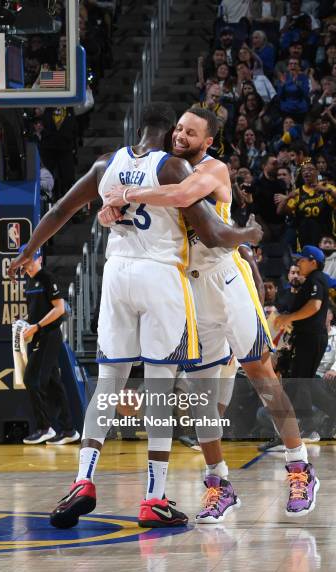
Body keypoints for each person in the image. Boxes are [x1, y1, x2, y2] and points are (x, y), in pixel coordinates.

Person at [8, 102, 262, 529]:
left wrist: (28, 251)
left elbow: (58, 212)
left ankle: (82, 480)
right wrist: (249, 234)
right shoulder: (173, 170)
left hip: (116, 277)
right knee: (160, 387)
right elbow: (215, 233)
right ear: (167, 136)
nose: (182, 140)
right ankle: (153, 498)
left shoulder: (106, 164)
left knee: (108, 384)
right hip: (160, 277)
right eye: (178, 133)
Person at [103, 106, 319, 521]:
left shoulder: (213, 169)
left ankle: (299, 466)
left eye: (191, 133)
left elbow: (184, 196)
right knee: (202, 398)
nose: (181, 136)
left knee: (261, 374)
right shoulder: (157, 168)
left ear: (208, 142)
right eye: (179, 129)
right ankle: (218, 482)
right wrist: (107, 210)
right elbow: (121, 215)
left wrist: (125, 195)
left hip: (226, 279)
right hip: (187, 287)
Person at [19, 247, 79, 446]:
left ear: (40, 259)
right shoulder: (28, 281)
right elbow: (37, 310)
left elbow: (59, 309)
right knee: (54, 383)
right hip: (37, 335)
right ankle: (69, 430)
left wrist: (36, 327)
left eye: (30, 260)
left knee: (32, 379)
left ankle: (45, 427)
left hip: (48, 335)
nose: (27, 263)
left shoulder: (46, 277)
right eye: (24, 260)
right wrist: (25, 324)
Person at [275, 246, 329, 439]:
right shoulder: (309, 282)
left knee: (303, 382)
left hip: (312, 338)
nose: (298, 263)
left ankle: (309, 427)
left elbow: (314, 306)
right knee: (300, 381)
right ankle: (306, 426)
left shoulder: (317, 279)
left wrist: (289, 318)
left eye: (302, 260)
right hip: (305, 338)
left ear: (313, 261)